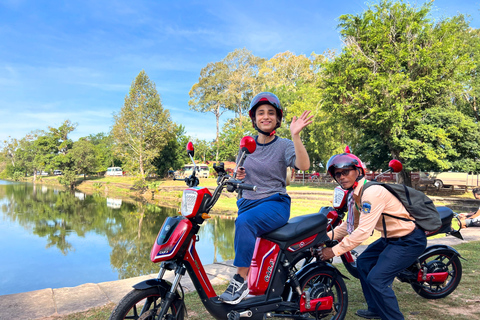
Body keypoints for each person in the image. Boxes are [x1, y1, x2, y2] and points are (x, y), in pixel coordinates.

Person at [218, 92, 313, 304]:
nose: (266, 116)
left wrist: (296, 136)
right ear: (254, 119)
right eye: (261, 113)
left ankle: (240, 280)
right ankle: (260, 291)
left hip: (274, 203)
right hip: (247, 203)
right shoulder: (246, 144)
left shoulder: (285, 145)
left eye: (271, 113)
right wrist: (238, 176)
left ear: (278, 118)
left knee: (244, 222)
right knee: (249, 234)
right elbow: (238, 175)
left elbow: (304, 165)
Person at [318, 153, 427, 320]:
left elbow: (362, 232)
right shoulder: (355, 194)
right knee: (363, 262)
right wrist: (322, 238)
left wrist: (334, 251)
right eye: (337, 174)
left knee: (378, 279)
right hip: (389, 239)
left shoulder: (371, 193)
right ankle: (375, 308)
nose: (341, 177)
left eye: (346, 171)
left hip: (409, 239)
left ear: (358, 171)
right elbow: (350, 226)